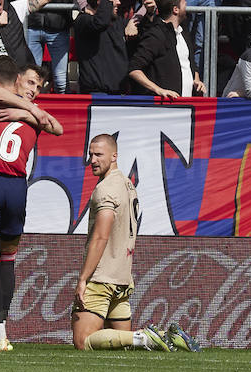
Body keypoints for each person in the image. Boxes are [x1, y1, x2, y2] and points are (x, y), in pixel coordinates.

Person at [0, 55, 62, 352]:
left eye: (39, 86)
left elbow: (55, 126)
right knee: (5, 260)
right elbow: (54, 126)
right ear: (16, 79)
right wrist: (30, 112)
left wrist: (25, 111)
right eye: (31, 82)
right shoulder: (28, 111)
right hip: (16, 189)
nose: (35, 90)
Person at [73, 133, 198, 351]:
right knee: (124, 344)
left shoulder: (106, 189)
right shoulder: (128, 185)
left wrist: (83, 278)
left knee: (83, 341)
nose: (92, 160)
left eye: (99, 154)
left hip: (102, 277)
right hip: (122, 278)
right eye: (91, 154)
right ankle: (163, 336)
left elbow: (101, 236)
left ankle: (146, 337)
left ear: (114, 156)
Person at [127, 0, 208, 98]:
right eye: (184, 2)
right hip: (165, 108)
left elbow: (191, 65)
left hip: (187, 105)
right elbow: (134, 69)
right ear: (176, 9)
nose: (187, 6)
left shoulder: (183, 32)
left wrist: (196, 81)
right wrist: (158, 90)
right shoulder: (156, 35)